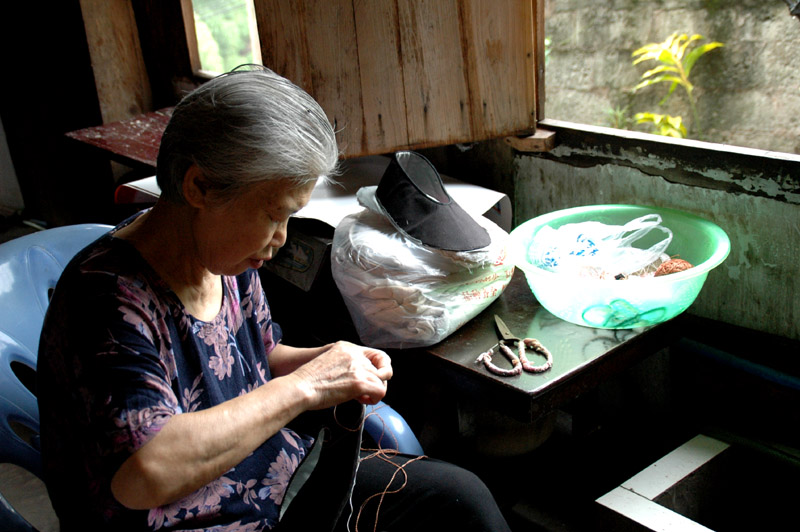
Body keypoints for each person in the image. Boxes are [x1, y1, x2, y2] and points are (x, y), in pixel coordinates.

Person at [37, 65, 512, 532]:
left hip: (270, 485)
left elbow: (259, 356)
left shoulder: (223, 256)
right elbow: (146, 474)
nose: (281, 239)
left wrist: (326, 363)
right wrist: (305, 387)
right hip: (199, 519)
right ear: (199, 186)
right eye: (273, 215)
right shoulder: (106, 301)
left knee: (460, 500)